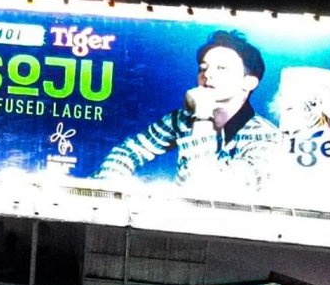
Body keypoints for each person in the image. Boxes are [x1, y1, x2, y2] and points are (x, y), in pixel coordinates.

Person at [94, 29, 280, 194]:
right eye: (203, 68)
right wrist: (108, 191)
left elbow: (203, 188)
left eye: (221, 68)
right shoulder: (182, 119)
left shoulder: (266, 137)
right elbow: (127, 152)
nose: (207, 75)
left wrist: (202, 116)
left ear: (249, 82)